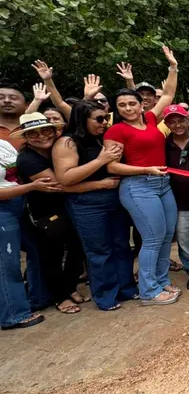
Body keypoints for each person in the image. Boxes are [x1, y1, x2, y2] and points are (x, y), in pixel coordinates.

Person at [104, 46, 180, 306]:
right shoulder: (116, 131)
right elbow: (112, 167)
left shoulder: (149, 119)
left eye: (131, 103)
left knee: (167, 235)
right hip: (138, 186)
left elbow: (168, 93)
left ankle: (161, 280)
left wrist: (172, 66)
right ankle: (148, 290)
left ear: (140, 104)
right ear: (117, 109)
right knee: (152, 238)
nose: (127, 108)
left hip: (162, 184)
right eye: (122, 105)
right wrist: (144, 169)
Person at [53, 100, 138, 311]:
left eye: (106, 118)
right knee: (99, 251)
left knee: (121, 245)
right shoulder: (67, 143)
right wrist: (101, 164)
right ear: (83, 119)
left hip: (114, 200)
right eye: (99, 119)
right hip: (87, 204)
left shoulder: (103, 139)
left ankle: (126, 288)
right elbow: (65, 178)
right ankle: (105, 295)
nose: (104, 123)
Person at [14, 113, 88, 315]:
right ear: (26, 138)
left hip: (66, 207)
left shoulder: (57, 149)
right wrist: (99, 183)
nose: (40, 136)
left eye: (45, 131)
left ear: (55, 131)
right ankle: (59, 297)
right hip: (45, 213)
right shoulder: (28, 159)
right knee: (52, 254)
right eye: (33, 134)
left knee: (77, 248)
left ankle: (70, 287)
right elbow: (60, 185)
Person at [0, 139, 60, 330]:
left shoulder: (3, 144)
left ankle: (39, 298)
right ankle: (14, 314)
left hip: (19, 203)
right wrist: (32, 187)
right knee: (7, 262)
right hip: (3, 209)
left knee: (37, 249)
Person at [163, 104, 189, 290]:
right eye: (172, 122)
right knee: (184, 238)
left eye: (181, 120)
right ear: (167, 124)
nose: (177, 125)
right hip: (179, 200)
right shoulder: (164, 144)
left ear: (188, 120)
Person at [0, 83, 28, 150]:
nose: (7, 101)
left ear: (26, 105)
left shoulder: (40, 129)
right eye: (0, 98)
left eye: (13, 98)